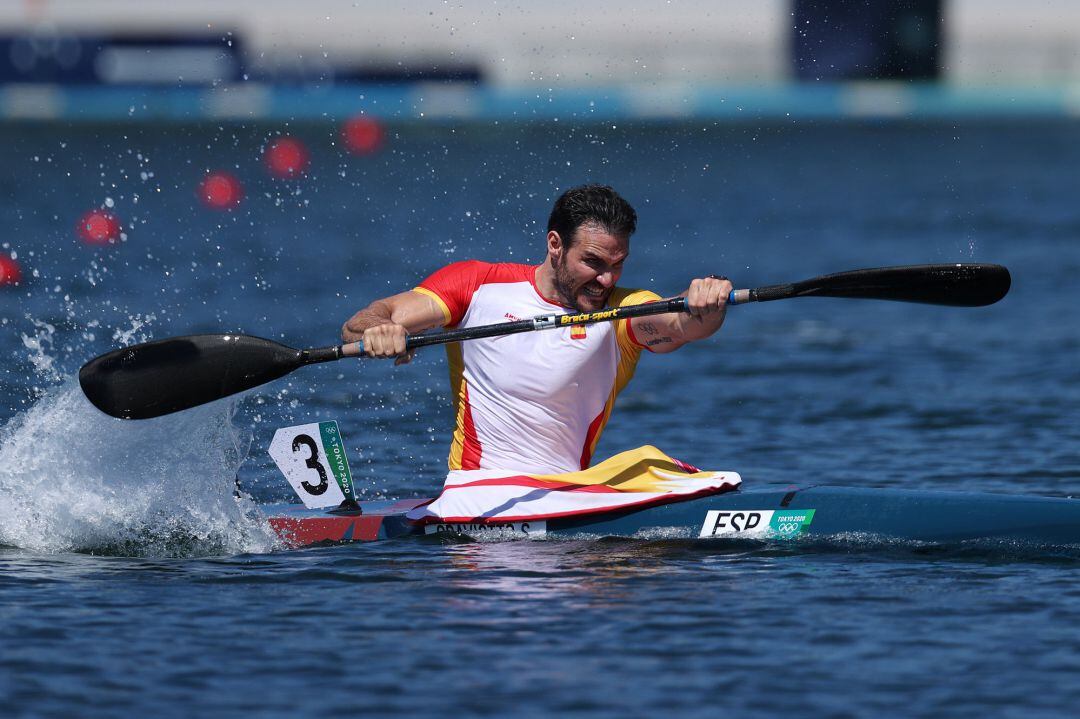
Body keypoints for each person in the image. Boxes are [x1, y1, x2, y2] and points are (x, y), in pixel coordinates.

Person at [342, 184, 732, 477]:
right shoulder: (476, 285)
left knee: (656, 465)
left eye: (617, 265)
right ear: (555, 244)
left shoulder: (621, 311)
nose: (606, 279)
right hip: (478, 495)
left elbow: (683, 325)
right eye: (593, 263)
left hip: (565, 494)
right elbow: (364, 320)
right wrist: (381, 330)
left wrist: (707, 299)